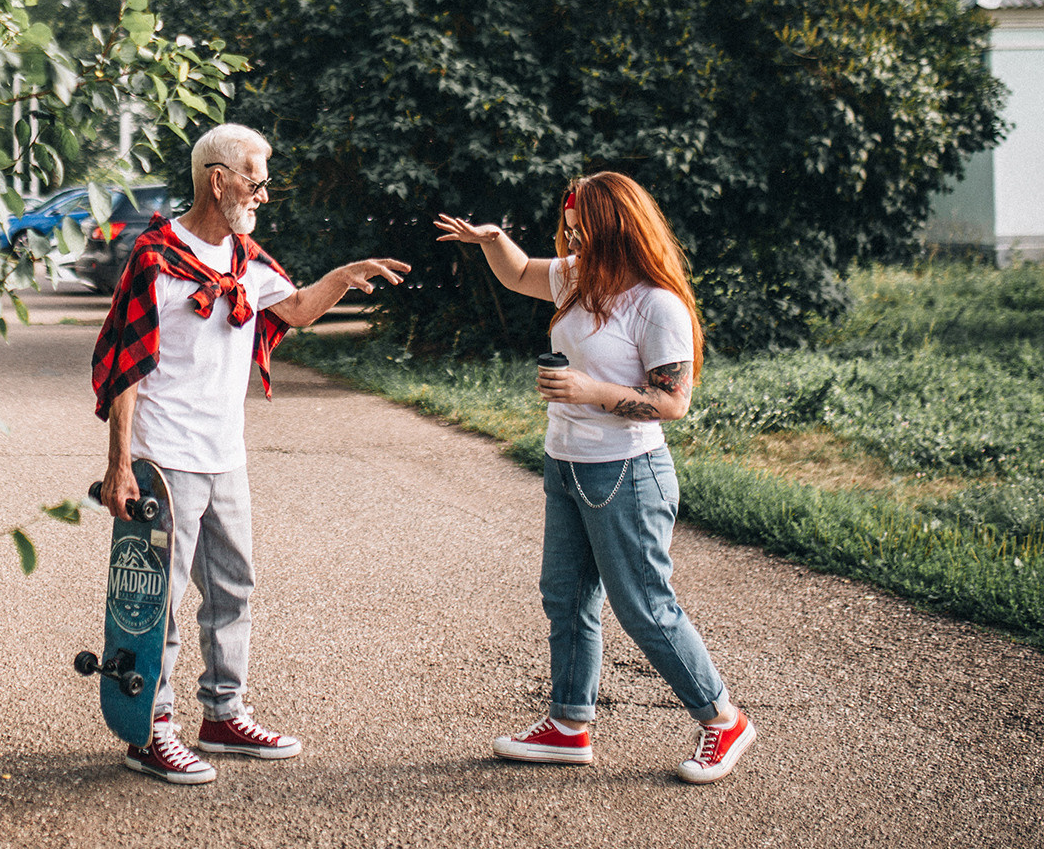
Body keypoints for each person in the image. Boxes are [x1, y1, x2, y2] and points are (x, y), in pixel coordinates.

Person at [90, 123, 410, 784]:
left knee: (234, 587)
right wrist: (119, 465)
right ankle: (151, 728)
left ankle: (223, 713)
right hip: (166, 459)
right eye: (256, 180)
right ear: (219, 179)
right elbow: (124, 369)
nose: (263, 194)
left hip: (225, 457)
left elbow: (292, 308)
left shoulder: (245, 258)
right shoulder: (156, 258)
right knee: (161, 603)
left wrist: (344, 277)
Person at [434, 173, 757, 784]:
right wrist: (493, 239)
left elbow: (672, 402)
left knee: (643, 607)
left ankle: (723, 718)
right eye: (570, 227)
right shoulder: (580, 277)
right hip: (567, 464)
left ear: (619, 228)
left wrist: (592, 392)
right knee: (566, 595)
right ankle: (569, 725)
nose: (574, 237)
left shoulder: (656, 304)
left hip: (629, 472)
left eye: (584, 228)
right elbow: (519, 272)